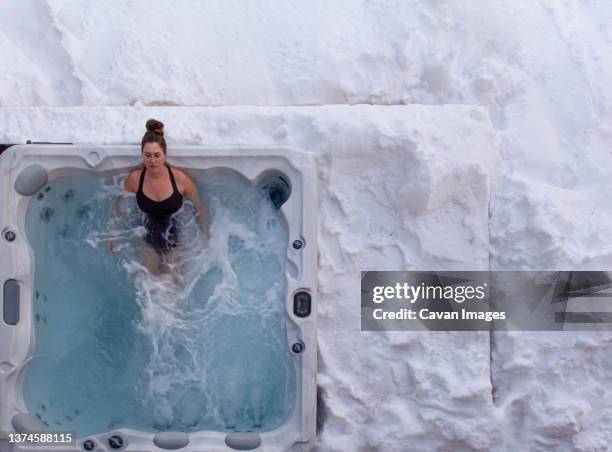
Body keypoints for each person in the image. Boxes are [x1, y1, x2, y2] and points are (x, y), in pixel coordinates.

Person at [108, 119, 209, 278]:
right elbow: (118, 206)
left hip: (175, 238)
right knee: (151, 288)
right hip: (148, 238)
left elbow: (200, 207)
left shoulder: (180, 179)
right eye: (147, 155)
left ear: (164, 155)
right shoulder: (135, 179)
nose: (152, 160)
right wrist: (112, 233)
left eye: (157, 155)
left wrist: (206, 236)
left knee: (171, 290)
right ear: (142, 155)